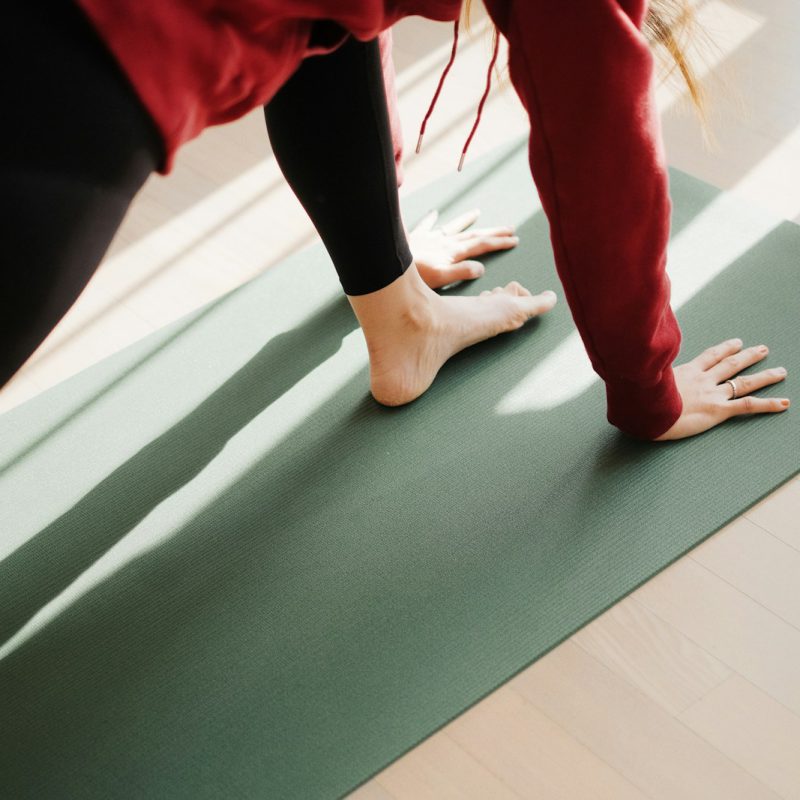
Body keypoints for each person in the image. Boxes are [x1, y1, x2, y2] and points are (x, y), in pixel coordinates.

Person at [1, 0, 789, 441]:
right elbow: (598, 135)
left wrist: (386, 258)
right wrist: (649, 389)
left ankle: (400, 316)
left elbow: (331, 21)